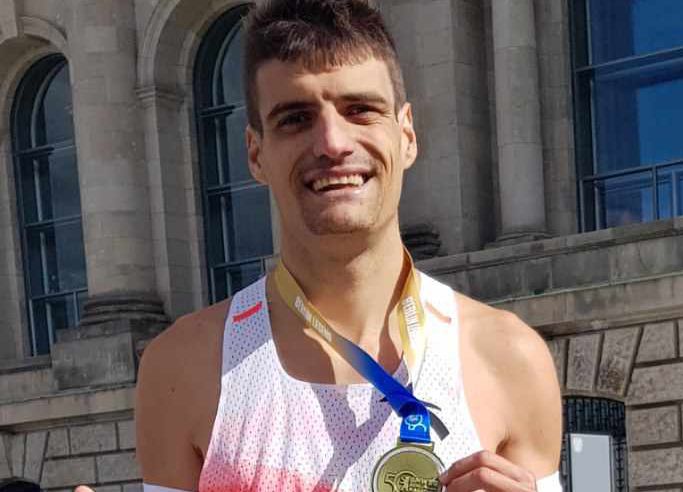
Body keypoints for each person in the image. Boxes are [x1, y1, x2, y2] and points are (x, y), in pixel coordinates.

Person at [78, 0, 561, 490]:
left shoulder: (509, 357)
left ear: (407, 134)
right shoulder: (182, 367)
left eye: (360, 110)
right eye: (295, 118)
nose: (332, 142)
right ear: (256, 154)